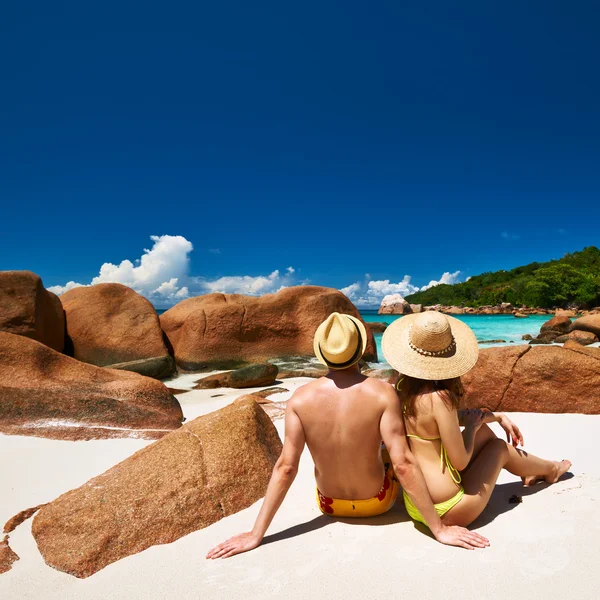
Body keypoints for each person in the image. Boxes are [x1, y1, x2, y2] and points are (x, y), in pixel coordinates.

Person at [207, 312, 489, 560]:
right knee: (391, 447)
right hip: (377, 502)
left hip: (329, 505)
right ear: (362, 351)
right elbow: (402, 463)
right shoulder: (383, 393)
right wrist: (438, 530)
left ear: (321, 352)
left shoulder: (299, 399)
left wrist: (256, 534)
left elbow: (286, 467)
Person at [381, 311, 571, 528]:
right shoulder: (440, 398)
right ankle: (550, 470)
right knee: (499, 447)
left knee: (483, 431)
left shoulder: (402, 390)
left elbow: (447, 420)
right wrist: (471, 428)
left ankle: (532, 471)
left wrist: (496, 416)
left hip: (417, 504)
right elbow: (460, 461)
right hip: (450, 508)